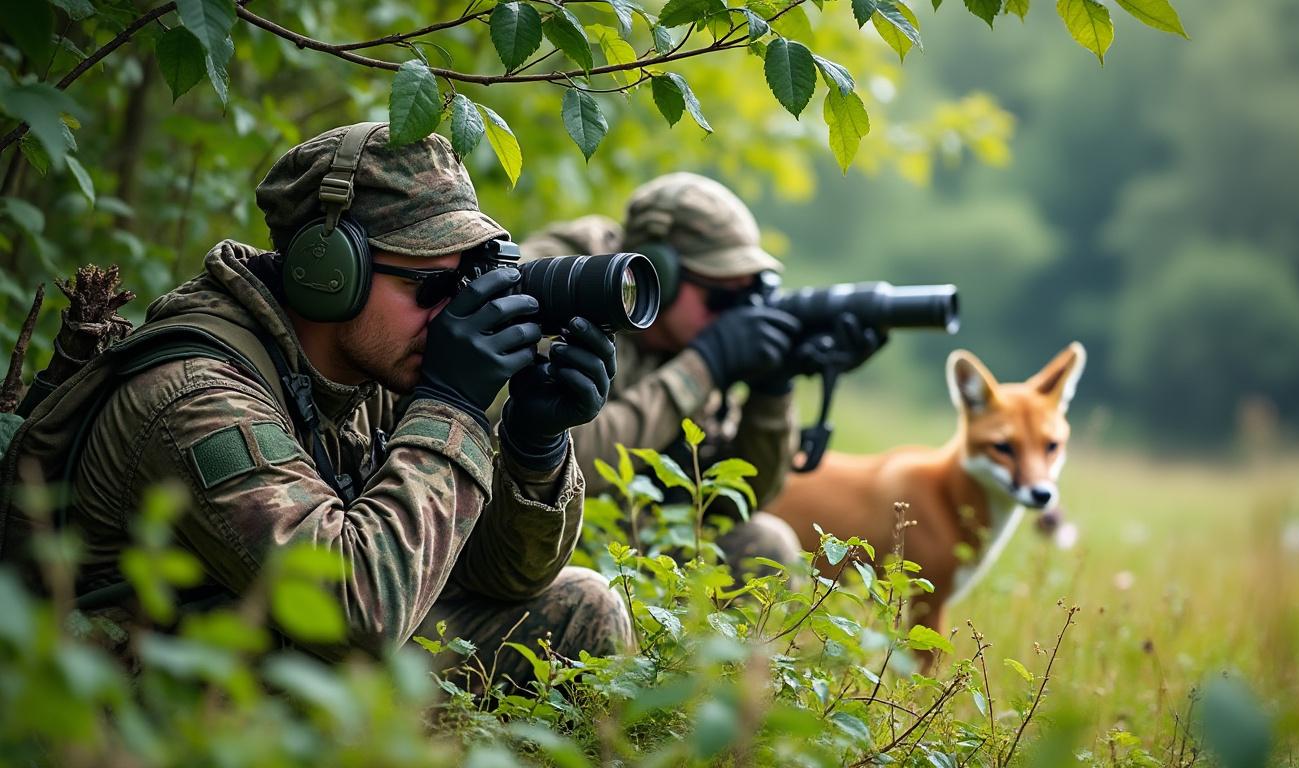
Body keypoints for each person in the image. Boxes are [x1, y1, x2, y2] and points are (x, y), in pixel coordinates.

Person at [1, 122, 633, 684]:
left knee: (581, 606)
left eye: (466, 283)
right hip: (155, 710)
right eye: (432, 285)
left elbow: (500, 578)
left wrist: (532, 445)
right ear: (329, 271)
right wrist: (454, 408)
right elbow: (358, 615)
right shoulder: (196, 398)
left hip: (277, 664)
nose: (451, 316)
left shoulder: (364, 377)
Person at [521, 173, 887, 575]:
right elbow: (562, 458)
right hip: (538, 532)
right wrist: (702, 367)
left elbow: (733, 503)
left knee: (764, 544)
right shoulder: (563, 287)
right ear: (662, 273)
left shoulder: (682, 338)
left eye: (746, 295)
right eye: (723, 296)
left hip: (629, 536)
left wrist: (772, 387)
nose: (733, 314)